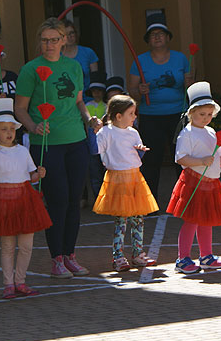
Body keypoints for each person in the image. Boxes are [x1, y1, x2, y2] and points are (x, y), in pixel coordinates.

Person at [15, 17, 102, 278]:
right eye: (44, 40)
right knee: (57, 201)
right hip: (47, 143)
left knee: (74, 200)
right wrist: (33, 126)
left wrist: (89, 119)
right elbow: (19, 108)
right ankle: (56, 259)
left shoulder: (73, 67)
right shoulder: (31, 69)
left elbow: (78, 101)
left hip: (76, 140)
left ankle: (70, 255)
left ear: (64, 40)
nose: (49, 45)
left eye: (54, 39)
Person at [0, 99, 51, 298]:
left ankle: (20, 281)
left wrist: (39, 174)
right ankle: (8, 284)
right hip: (3, 201)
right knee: (7, 246)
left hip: (25, 200)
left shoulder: (22, 150)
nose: (9, 132)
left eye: (11, 128)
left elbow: (30, 175)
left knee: (26, 245)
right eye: (3, 129)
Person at [167, 82, 221, 274]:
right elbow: (181, 158)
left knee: (206, 220)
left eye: (209, 114)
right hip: (193, 181)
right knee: (191, 220)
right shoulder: (187, 134)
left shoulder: (210, 132)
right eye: (202, 114)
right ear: (191, 113)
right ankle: (182, 258)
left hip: (211, 183)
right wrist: (200, 160)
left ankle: (206, 256)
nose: (206, 118)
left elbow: (219, 154)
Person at [128, 13, 193, 201]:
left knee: (181, 158)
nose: (157, 37)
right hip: (151, 116)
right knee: (151, 160)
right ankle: (150, 201)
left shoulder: (181, 59)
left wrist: (190, 84)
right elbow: (131, 90)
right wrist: (139, 90)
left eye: (161, 33)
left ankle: (183, 200)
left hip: (178, 115)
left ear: (168, 37)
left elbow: (189, 86)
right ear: (148, 40)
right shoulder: (139, 61)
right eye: (153, 34)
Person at [93, 95, 158, 271]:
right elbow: (95, 150)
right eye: (131, 113)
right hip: (117, 179)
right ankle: (118, 256)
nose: (134, 116)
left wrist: (141, 152)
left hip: (135, 177)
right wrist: (93, 131)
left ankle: (138, 254)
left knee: (138, 218)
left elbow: (137, 156)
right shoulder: (106, 132)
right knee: (121, 219)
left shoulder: (133, 132)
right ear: (118, 116)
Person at [61, 19, 99, 96]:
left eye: (72, 33)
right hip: (65, 99)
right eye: (66, 34)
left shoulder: (88, 52)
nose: (69, 37)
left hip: (87, 98)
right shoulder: (56, 56)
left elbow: (96, 80)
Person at [85, 70, 107, 200]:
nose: (97, 93)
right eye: (94, 91)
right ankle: (98, 199)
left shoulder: (106, 106)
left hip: (104, 140)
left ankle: (106, 199)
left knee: (105, 170)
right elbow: (85, 123)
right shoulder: (87, 105)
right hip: (92, 140)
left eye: (99, 90)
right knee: (94, 171)